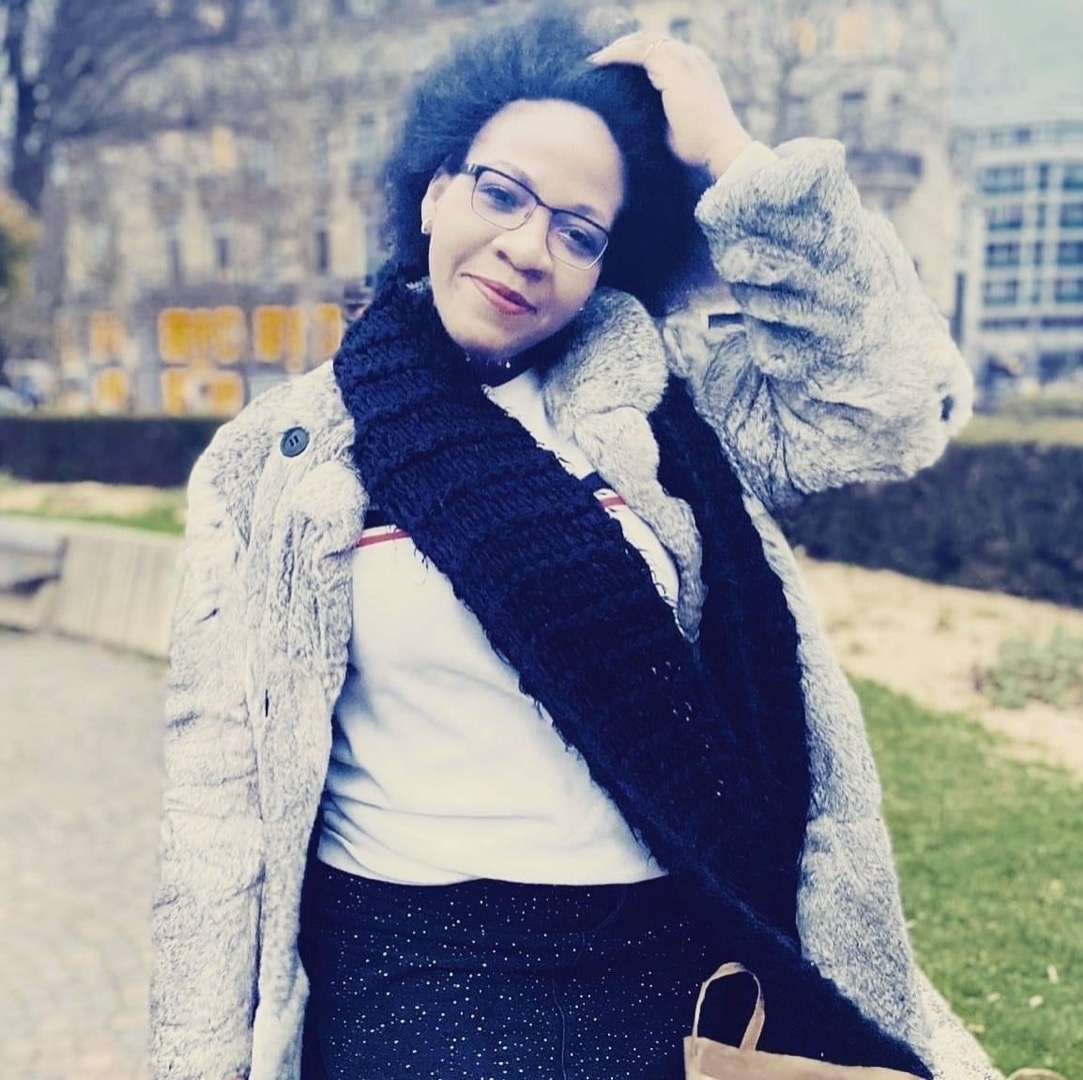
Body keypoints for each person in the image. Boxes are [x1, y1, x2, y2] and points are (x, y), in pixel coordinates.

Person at [150, 10, 997, 1080]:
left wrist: (733, 156)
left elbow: (889, 406)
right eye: (502, 194)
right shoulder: (272, 463)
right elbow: (216, 810)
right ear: (434, 191)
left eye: (579, 232)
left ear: (608, 262)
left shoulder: (671, 406)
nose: (526, 248)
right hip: (411, 977)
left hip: (683, 964)